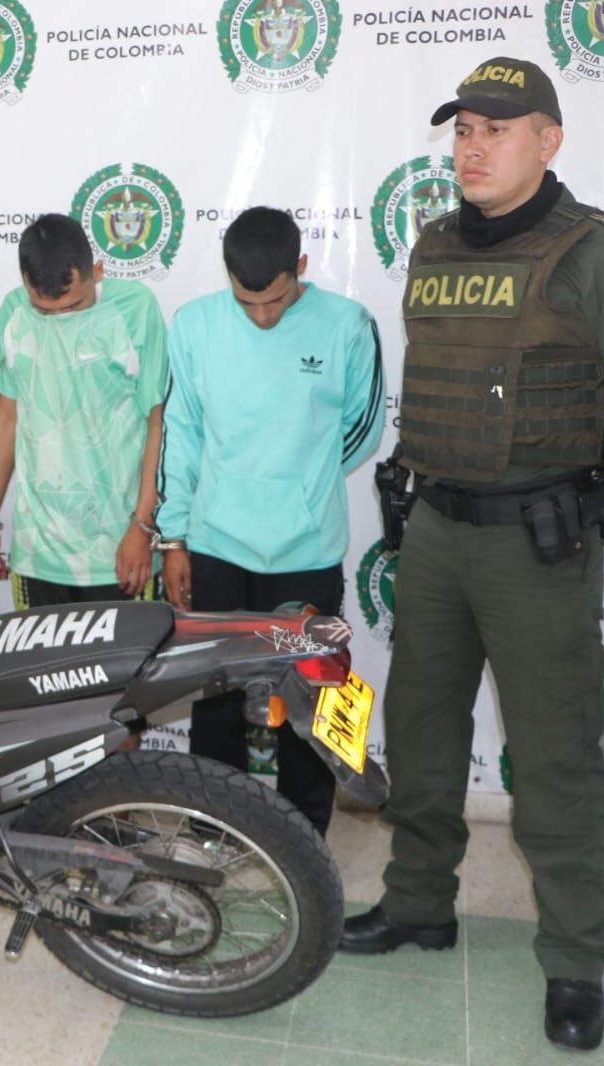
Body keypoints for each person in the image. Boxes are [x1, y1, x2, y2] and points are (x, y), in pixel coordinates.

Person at [339, 58, 604, 1053]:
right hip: (440, 535)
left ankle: (577, 956)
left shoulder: (594, 257)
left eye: (499, 129)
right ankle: (418, 900)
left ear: (550, 140)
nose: (474, 147)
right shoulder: (435, 243)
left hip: (538, 547)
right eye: (463, 130)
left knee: (552, 763)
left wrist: (592, 502)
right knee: (419, 727)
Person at [159, 207, 384, 836]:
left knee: (319, 691)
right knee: (216, 702)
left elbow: (363, 428)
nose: (263, 315)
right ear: (227, 278)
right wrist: (174, 536)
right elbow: (182, 435)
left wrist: (299, 482)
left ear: (301, 269)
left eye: (277, 300)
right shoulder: (195, 325)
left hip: (308, 548)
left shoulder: (348, 325)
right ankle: (214, 827)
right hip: (216, 545)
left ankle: (311, 833)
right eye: (247, 302)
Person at [0, 214, 168, 608]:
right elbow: (8, 417)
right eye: (44, 310)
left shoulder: (136, 308)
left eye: (73, 306)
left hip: (120, 549)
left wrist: (142, 526)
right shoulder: (13, 311)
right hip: (38, 553)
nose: (60, 318)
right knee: (41, 670)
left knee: (125, 671)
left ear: (96, 270)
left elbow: (157, 423)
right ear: (26, 284)